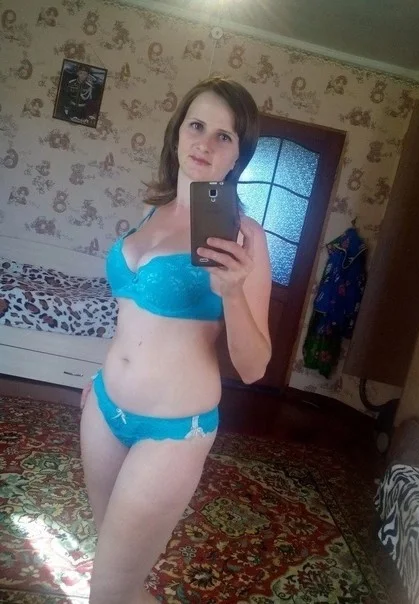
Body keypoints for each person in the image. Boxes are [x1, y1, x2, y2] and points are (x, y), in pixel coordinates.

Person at [80, 76, 272, 604]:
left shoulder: (244, 236)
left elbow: (254, 367)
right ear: (178, 132)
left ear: (238, 156)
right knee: (114, 571)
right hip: (104, 408)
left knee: (108, 590)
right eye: (196, 125)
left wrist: (232, 293)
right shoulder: (154, 212)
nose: (205, 143)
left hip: (171, 431)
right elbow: (133, 317)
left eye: (224, 136)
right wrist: (100, 379)